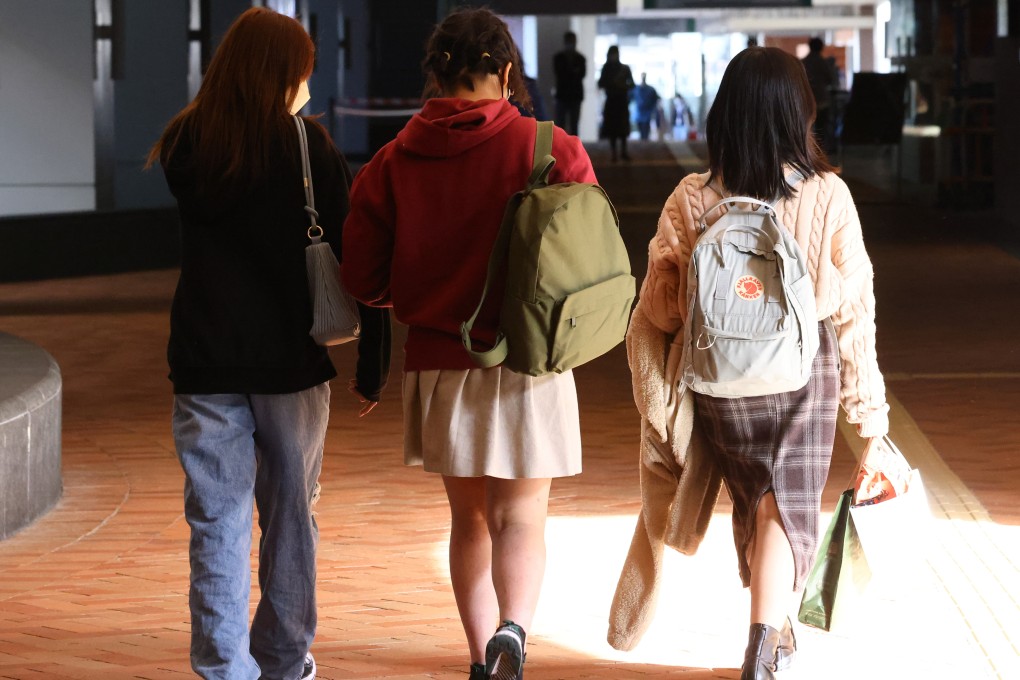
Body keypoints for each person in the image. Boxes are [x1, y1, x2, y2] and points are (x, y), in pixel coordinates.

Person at [340, 8, 597, 680]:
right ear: (507, 72)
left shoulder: (393, 160)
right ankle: (515, 628)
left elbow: (362, 276)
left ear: (437, 74)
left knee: (470, 520)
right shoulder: (550, 149)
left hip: (440, 362)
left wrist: (420, 294)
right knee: (521, 515)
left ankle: (482, 655)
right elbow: (593, 259)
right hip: (529, 359)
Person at [146, 7, 389, 679]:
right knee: (290, 520)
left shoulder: (188, 141)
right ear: (288, 74)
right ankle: (284, 661)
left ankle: (225, 668)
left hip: (204, 360)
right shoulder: (308, 147)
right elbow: (358, 260)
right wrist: (372, 365)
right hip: (291, 364)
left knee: (215, 522)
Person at [638, 47, 888, 680]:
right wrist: (871, 424)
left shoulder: (691, 199)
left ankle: (770, 633)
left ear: (725, 114)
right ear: (798, 113)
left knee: (757, 500)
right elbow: (855, 312)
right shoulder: (828, 194)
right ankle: (760, 646)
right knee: (784, 503)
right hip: (806, 376)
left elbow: (662, 310)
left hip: (723, 379)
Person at [802, 37, 839, 153]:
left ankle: (809, 150)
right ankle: (820, 151)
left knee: (807, 128)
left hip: (806, 101)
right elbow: (830, 79)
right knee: (822, 128)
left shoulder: (803, 62)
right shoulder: (823, 63)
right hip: (822, 101)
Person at [598, 46, 634, 161]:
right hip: (612, 100)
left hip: (621, 100)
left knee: (622, 128)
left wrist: (622, 86)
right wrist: (611, 84)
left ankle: (623, 151)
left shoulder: (624, 68)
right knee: (612, 128)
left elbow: (632, 84)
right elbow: (600, 83)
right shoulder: (606, 68)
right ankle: (614, 153)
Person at [552, 31, 585, 135]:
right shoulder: (558, 58)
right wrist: (573, 72)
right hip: (562, 94)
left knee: (574, 124)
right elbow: (559, 73)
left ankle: (573, 147)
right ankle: (561, 147)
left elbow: (582, 74)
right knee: (561, 124)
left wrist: (570, 72)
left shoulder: (580, 58)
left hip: (575, 95)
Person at [632, 73, 661, 141]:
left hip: (647, 114)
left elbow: (655, 100)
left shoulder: (650, 90)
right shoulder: (637, 89)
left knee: (645, 132)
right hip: (639, 114)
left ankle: (644, 143)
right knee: (642, 132)